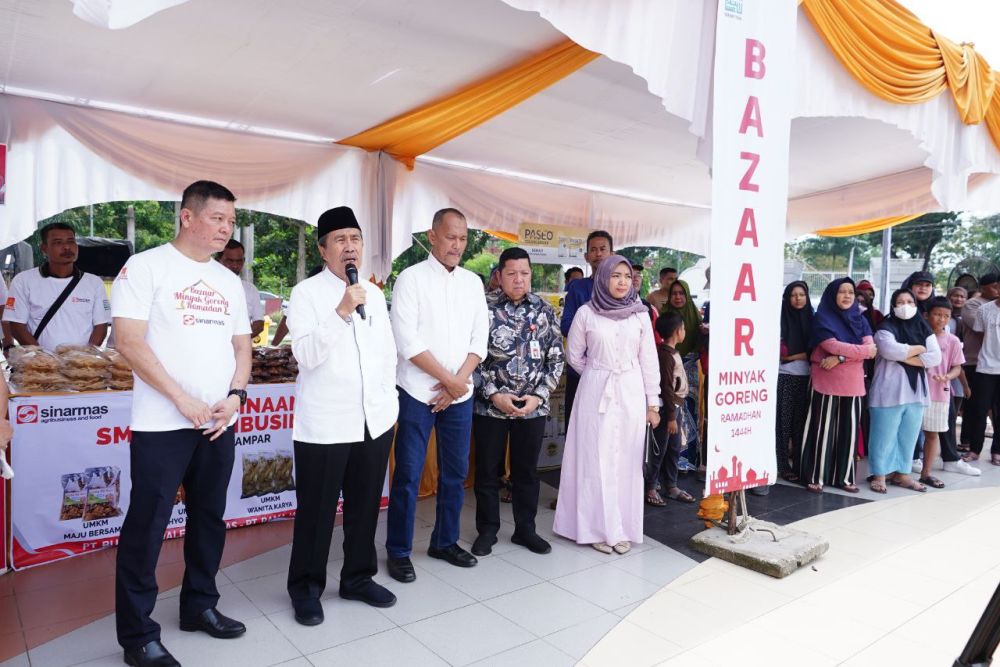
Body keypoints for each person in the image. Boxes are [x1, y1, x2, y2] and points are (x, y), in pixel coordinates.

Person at [112, 181, 251, 667]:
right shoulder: (146, 267)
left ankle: (200, 606)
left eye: (231, 221)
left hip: (216, 421)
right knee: (147, 525)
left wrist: (235, 394)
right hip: (162, 423)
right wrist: (180, 399)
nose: (225, 229)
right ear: (187, 217)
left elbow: (242, 346)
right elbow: (128, 340)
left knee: (210, 517)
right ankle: (137, 634)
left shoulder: (229, 281)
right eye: (217, 219)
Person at [283, 206, 399, 626]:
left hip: (374, 421)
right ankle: (306, 587)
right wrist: (342, 310)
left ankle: (357, 578)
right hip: (325, 423)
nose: (350, 246)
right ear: (323, 250)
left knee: (366, 507)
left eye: (356, 238)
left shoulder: (375, 293)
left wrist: (388, 403)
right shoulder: (306, 294)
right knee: (316, 511)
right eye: (340, 240)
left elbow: (387, 352)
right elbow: (307, 356)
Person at [386, 208, 488, 582]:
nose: (457, 245)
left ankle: (445, 541)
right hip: (416, 391)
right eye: (450, 237)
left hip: (458, 396)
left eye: (462, 239)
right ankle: (398, 549)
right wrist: (448, 379)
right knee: (409, 474)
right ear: (432, 236)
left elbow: (480, 338)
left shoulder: (472, 283)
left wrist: (457, 383)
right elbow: (406, 341)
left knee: (456, 473)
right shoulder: (410, 280)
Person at [554, 255, 660, 555]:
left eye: (627, 276)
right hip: (595, 390)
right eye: (615, 276)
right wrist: (598, 371)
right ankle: (595, 528)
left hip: (630, 390)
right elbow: (573, 355)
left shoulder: (639, 315)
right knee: (594, 458)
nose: (622, 281)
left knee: (626, 460)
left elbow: (648, 360)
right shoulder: (586, 313)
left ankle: (622, 527)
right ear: (602, 279)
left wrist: (653, 404)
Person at [472, 247, 563, 557]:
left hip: (532, 407)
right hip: (490, 407)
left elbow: (556, 358)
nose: (519, 279)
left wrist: (538, 395)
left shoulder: (544, 310)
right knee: (486, 472)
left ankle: (526, 530)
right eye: (512, 273)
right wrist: (494, 394)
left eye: (524, 273)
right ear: (500, 275)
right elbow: (471, 358)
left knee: (526, 473)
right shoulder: (482, 309)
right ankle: (487, 531)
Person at [799, 278, 876, 493]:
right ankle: (817, 476)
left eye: (850, 292)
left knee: (849, 432)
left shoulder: (860, 319)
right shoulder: (823, 318)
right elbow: (830, 345)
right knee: (823, 430)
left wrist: (840, 358)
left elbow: (871, 349)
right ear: (833, 294)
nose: (847, 296)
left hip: (853, 383)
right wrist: (855, 352)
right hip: (826, 381)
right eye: (842, 291)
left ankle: (844, 477)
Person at [867, 289, 940, 493]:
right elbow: (889, 350)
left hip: (916, 393)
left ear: (916, 305)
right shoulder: (885, 327)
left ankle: (902, 474)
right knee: (883, 435)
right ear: (893, 305)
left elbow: (935, 358)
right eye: (900, 302)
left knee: (908, 436)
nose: (905, 306)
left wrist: (905, 354)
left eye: (909, 301)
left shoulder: (923, 328)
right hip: (889, 390)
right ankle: (880, 474)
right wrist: (920, 349)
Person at [3, 222, 110, 352]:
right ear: (44, 248)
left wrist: (85, 359)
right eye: (58, 242)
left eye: (71, 241)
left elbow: (101, 326)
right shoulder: (23, 281)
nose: (66, 247)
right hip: (40, 367)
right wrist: (44, 359)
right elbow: (17, 326)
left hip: (81, 367)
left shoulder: (94, 283)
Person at [921, 296, 980, 480]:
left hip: (940, 393)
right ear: (926, 315)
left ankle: (929, 472)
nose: (941, 319)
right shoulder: (917, 336)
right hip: (915, 392)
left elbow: (957, 366)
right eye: (937, 314)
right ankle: (909, 463)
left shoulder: (952, 340)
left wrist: (948, 376)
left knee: (935, 432)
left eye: (946, 316)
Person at [560, 231, 613, 431]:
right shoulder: (578, 288)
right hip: (581, 370)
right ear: (586, 256)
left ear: (612, 253)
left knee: (609, 430)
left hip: (614, 373)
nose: (598, 254)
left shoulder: (623, 289)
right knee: (578, 428)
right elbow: (565, 326)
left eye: (603, 249)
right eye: (593, 250)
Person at [644, 312, 695, 505]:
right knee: (660, 449)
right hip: (667, 410)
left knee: (674, 448)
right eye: (683, 328)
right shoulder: (665, 356)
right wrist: (672, 417)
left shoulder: (672, 352)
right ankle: (650, 487)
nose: (685, 331)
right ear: (676, 332)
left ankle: (671, 485)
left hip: (675, 408)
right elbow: (666, 387)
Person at [663, 279, 705, 470]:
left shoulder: (695, 316)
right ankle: (673, 461)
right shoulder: (664, 317)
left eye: (682, 293)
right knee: (674, 414)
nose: (678, 297)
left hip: (693, 371)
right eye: (674, 293)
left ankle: (690, 460)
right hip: (670, 371)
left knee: (692, 412)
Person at [776, 281, 814, 483]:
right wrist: (801, 355)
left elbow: (816, 350)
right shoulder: (780, 320)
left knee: (801, 424)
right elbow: (779, 353)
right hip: (785, 377)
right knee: (783, 424)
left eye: (802, 295)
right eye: (793, 295)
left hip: (808, 378)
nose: (798, 298)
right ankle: (782, 465)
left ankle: (800, 465)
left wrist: (794, 355)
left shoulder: (813, 319)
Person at [959, 274, 999, 458]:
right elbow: (983, 337)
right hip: (985, 366)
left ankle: (997, 451)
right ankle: (975, 449)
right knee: (978, 408)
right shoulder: (984, 309)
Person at [218, 239, 266, 340]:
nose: (235, 265)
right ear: (219, 260)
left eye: (239, 261)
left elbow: (259, 323)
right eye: (229, 261)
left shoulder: (250, 289)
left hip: (240, 349)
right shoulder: (208, 286)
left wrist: (240, 341)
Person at [632, 263, 663, 345]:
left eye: (638, 274)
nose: (635, 278)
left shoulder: (649, 309)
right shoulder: (609, 308)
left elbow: (657, 342)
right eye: (630, 274)